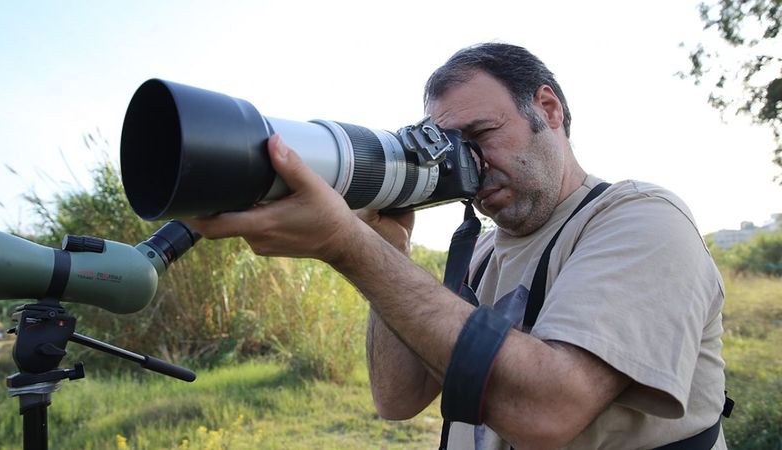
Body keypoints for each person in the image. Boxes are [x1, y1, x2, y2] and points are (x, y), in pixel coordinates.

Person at [189, 43, 727, 449]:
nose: (468, 163)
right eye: (452, 147)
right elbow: (397, 398)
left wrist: (345, 245)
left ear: (549, 109)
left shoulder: (641, 219)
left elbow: (548, 410)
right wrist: (386, 247)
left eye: (483, 133)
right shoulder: (480, 253)